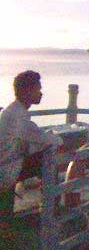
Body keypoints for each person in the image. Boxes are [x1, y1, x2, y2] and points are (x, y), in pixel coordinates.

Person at [0, 71, 62, 220]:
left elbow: (32, 139)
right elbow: (52, 140)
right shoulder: (18, 117)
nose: (41, 94)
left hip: (8, 163)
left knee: (44, 152)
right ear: (26, 91)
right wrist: (60, 138)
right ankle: (51, 208)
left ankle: (49, 203)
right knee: (49, 155)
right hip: (6, 169)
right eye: (38, 89)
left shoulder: (12, 112)